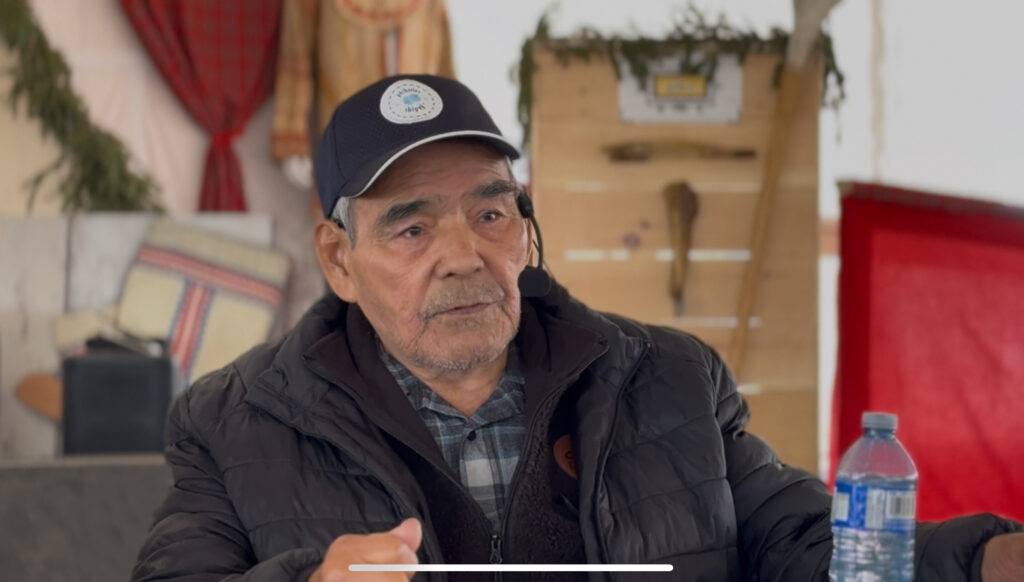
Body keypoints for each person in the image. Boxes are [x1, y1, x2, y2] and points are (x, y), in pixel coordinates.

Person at [132, 75, 1024, 581]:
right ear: (338, 258)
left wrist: (990, 561)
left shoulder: (670, 380)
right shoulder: (230, 423)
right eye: (411, 228)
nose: (463, 255)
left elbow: (813, 549)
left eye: (490, 216)